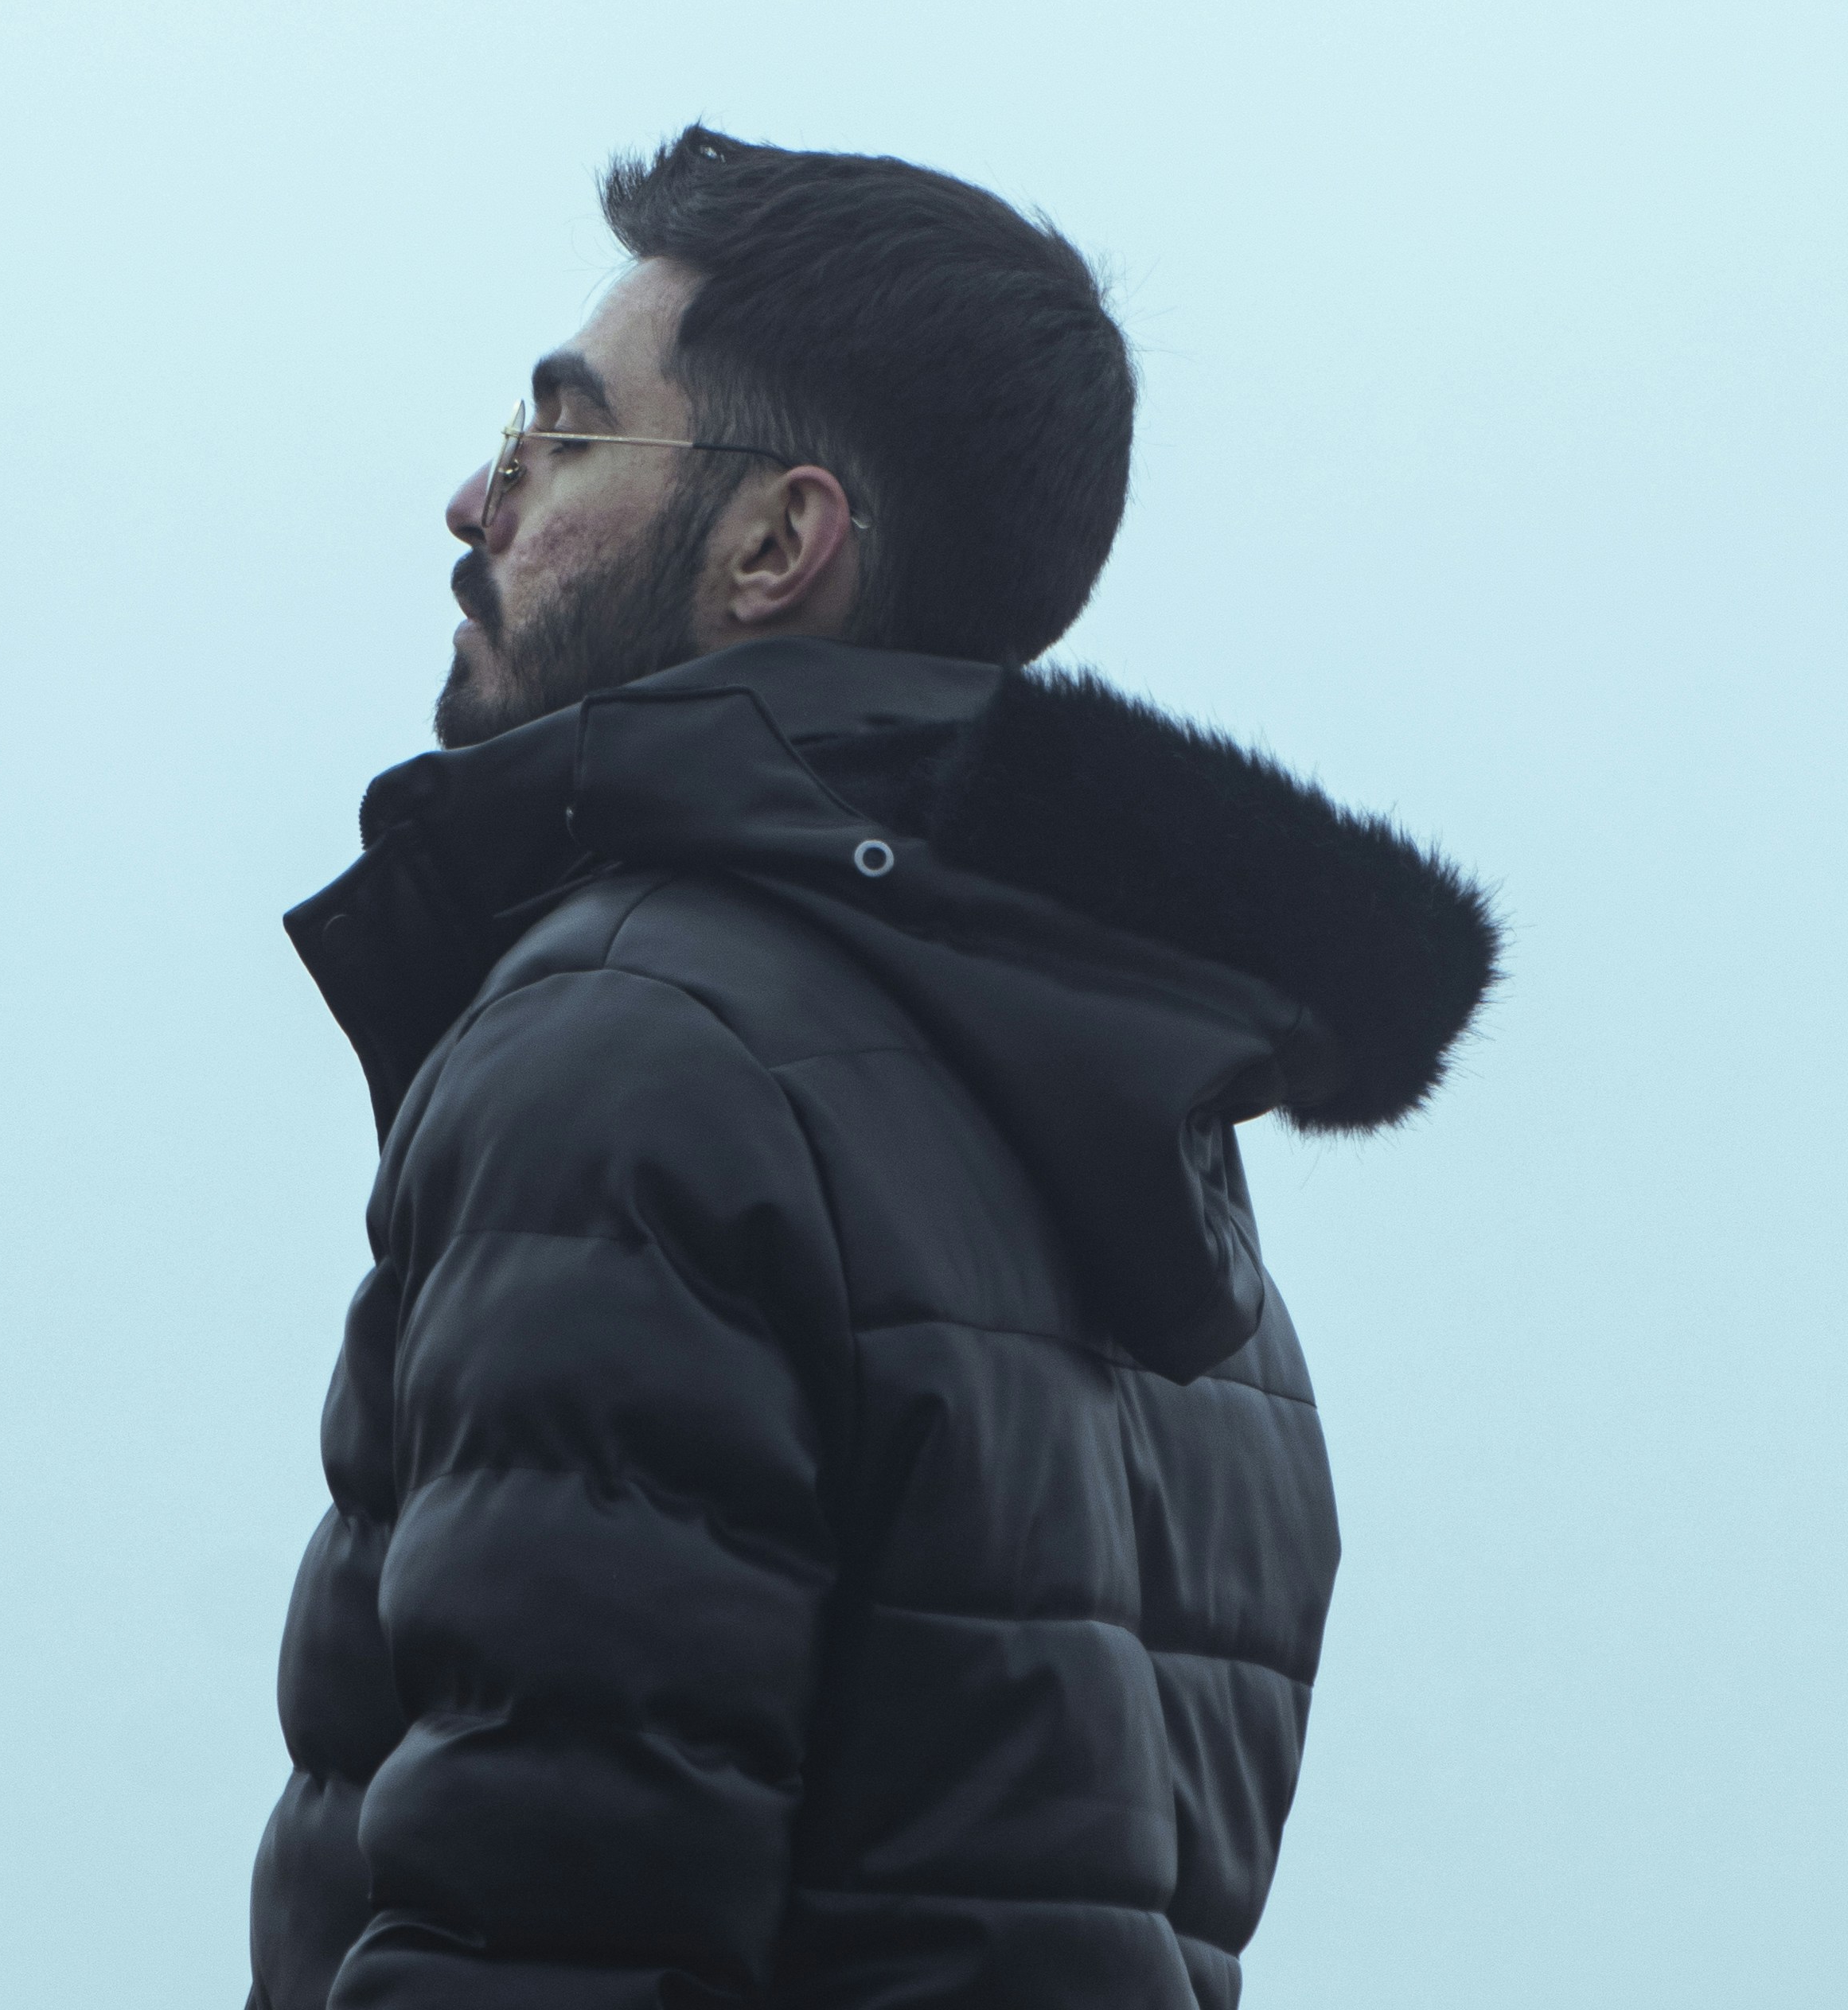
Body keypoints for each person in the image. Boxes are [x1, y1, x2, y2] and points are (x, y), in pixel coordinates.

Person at [247, 125, 1498, 2008]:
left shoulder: (633, 1045)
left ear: (773, 544)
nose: (470, 502)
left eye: (560, 438)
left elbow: (552, 1926)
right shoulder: (1159, 1181)